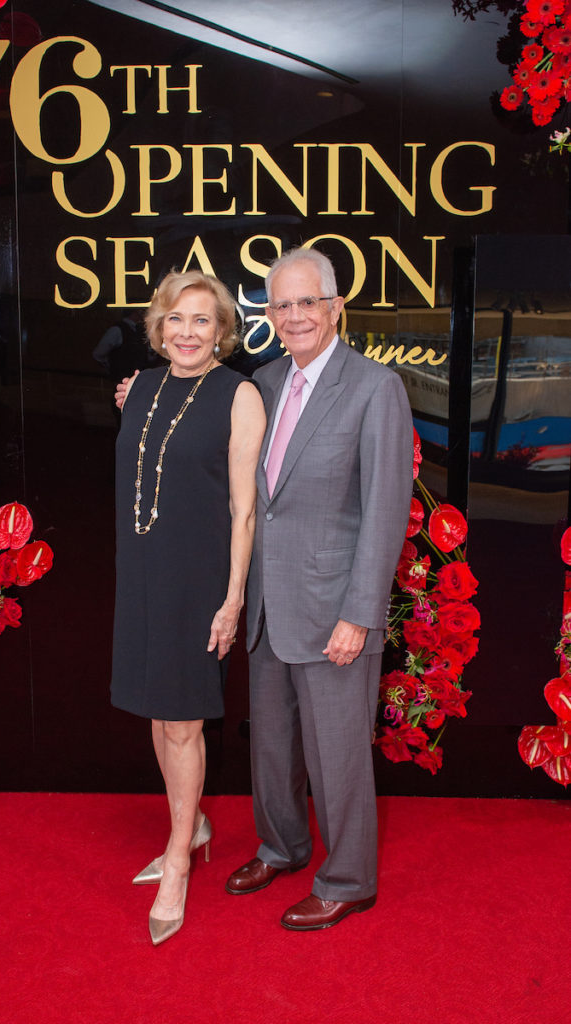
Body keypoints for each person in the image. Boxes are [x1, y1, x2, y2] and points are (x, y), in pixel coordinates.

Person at [224, 246, 413, 931]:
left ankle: (350, 878)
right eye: (282, 304)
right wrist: (138, 392)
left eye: (309, 301)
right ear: (268, 314)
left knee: (337, 759)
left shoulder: (374, 387)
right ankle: (283, 846)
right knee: (271, 748)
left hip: (336, 610)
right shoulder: (264, 382)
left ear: (337, 307)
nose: (295, 315)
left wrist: (360, 614)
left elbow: (386, 510)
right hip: (271, 607)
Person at [110, 269, 266, 946]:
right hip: (141, 573)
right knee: (156, 709)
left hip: (198, 580)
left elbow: (244, 510)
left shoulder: (240, 395)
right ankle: (193, 822)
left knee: (182, 723)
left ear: (221, 331)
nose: (188, 332)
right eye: (177, 318)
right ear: (159, 326)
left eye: (203, 320)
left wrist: (232, 599)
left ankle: (178, 857)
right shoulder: (136, 389)